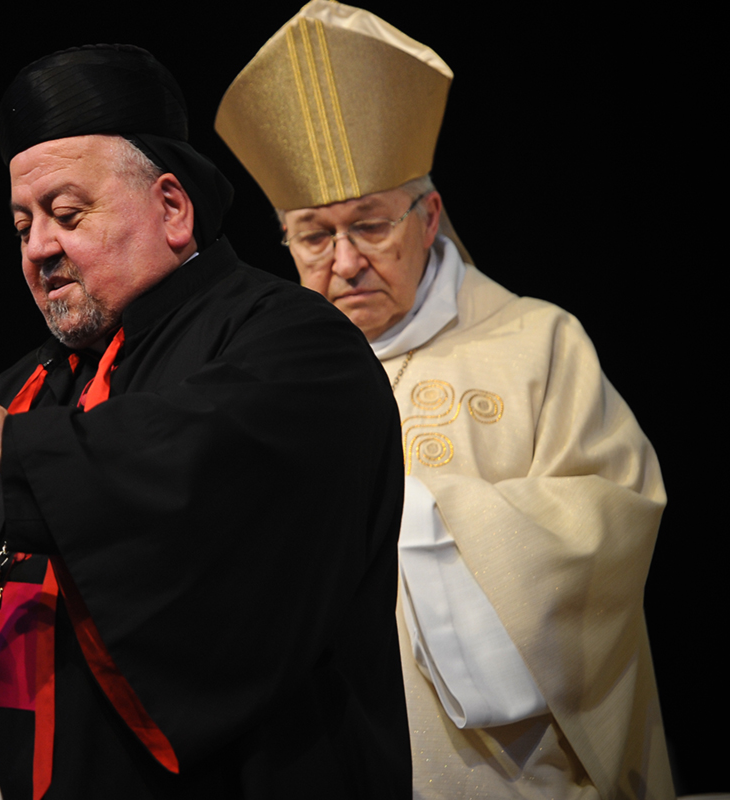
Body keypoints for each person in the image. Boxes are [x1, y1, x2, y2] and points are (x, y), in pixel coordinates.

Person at [0, 43, 409, 798]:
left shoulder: (297, 343)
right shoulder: (30, 387)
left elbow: (200, 474)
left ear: (172, 208)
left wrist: (17, 446)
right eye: (22, 226)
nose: (40, 247)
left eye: (67, 214)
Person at [216, 3, 672, 798]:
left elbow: (615, 521)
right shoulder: (262, 381)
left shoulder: (536, 343)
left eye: (369, 225)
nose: (347, 260)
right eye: (315, 236)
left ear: (428, 218)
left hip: (506, 767)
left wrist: (421, 517)